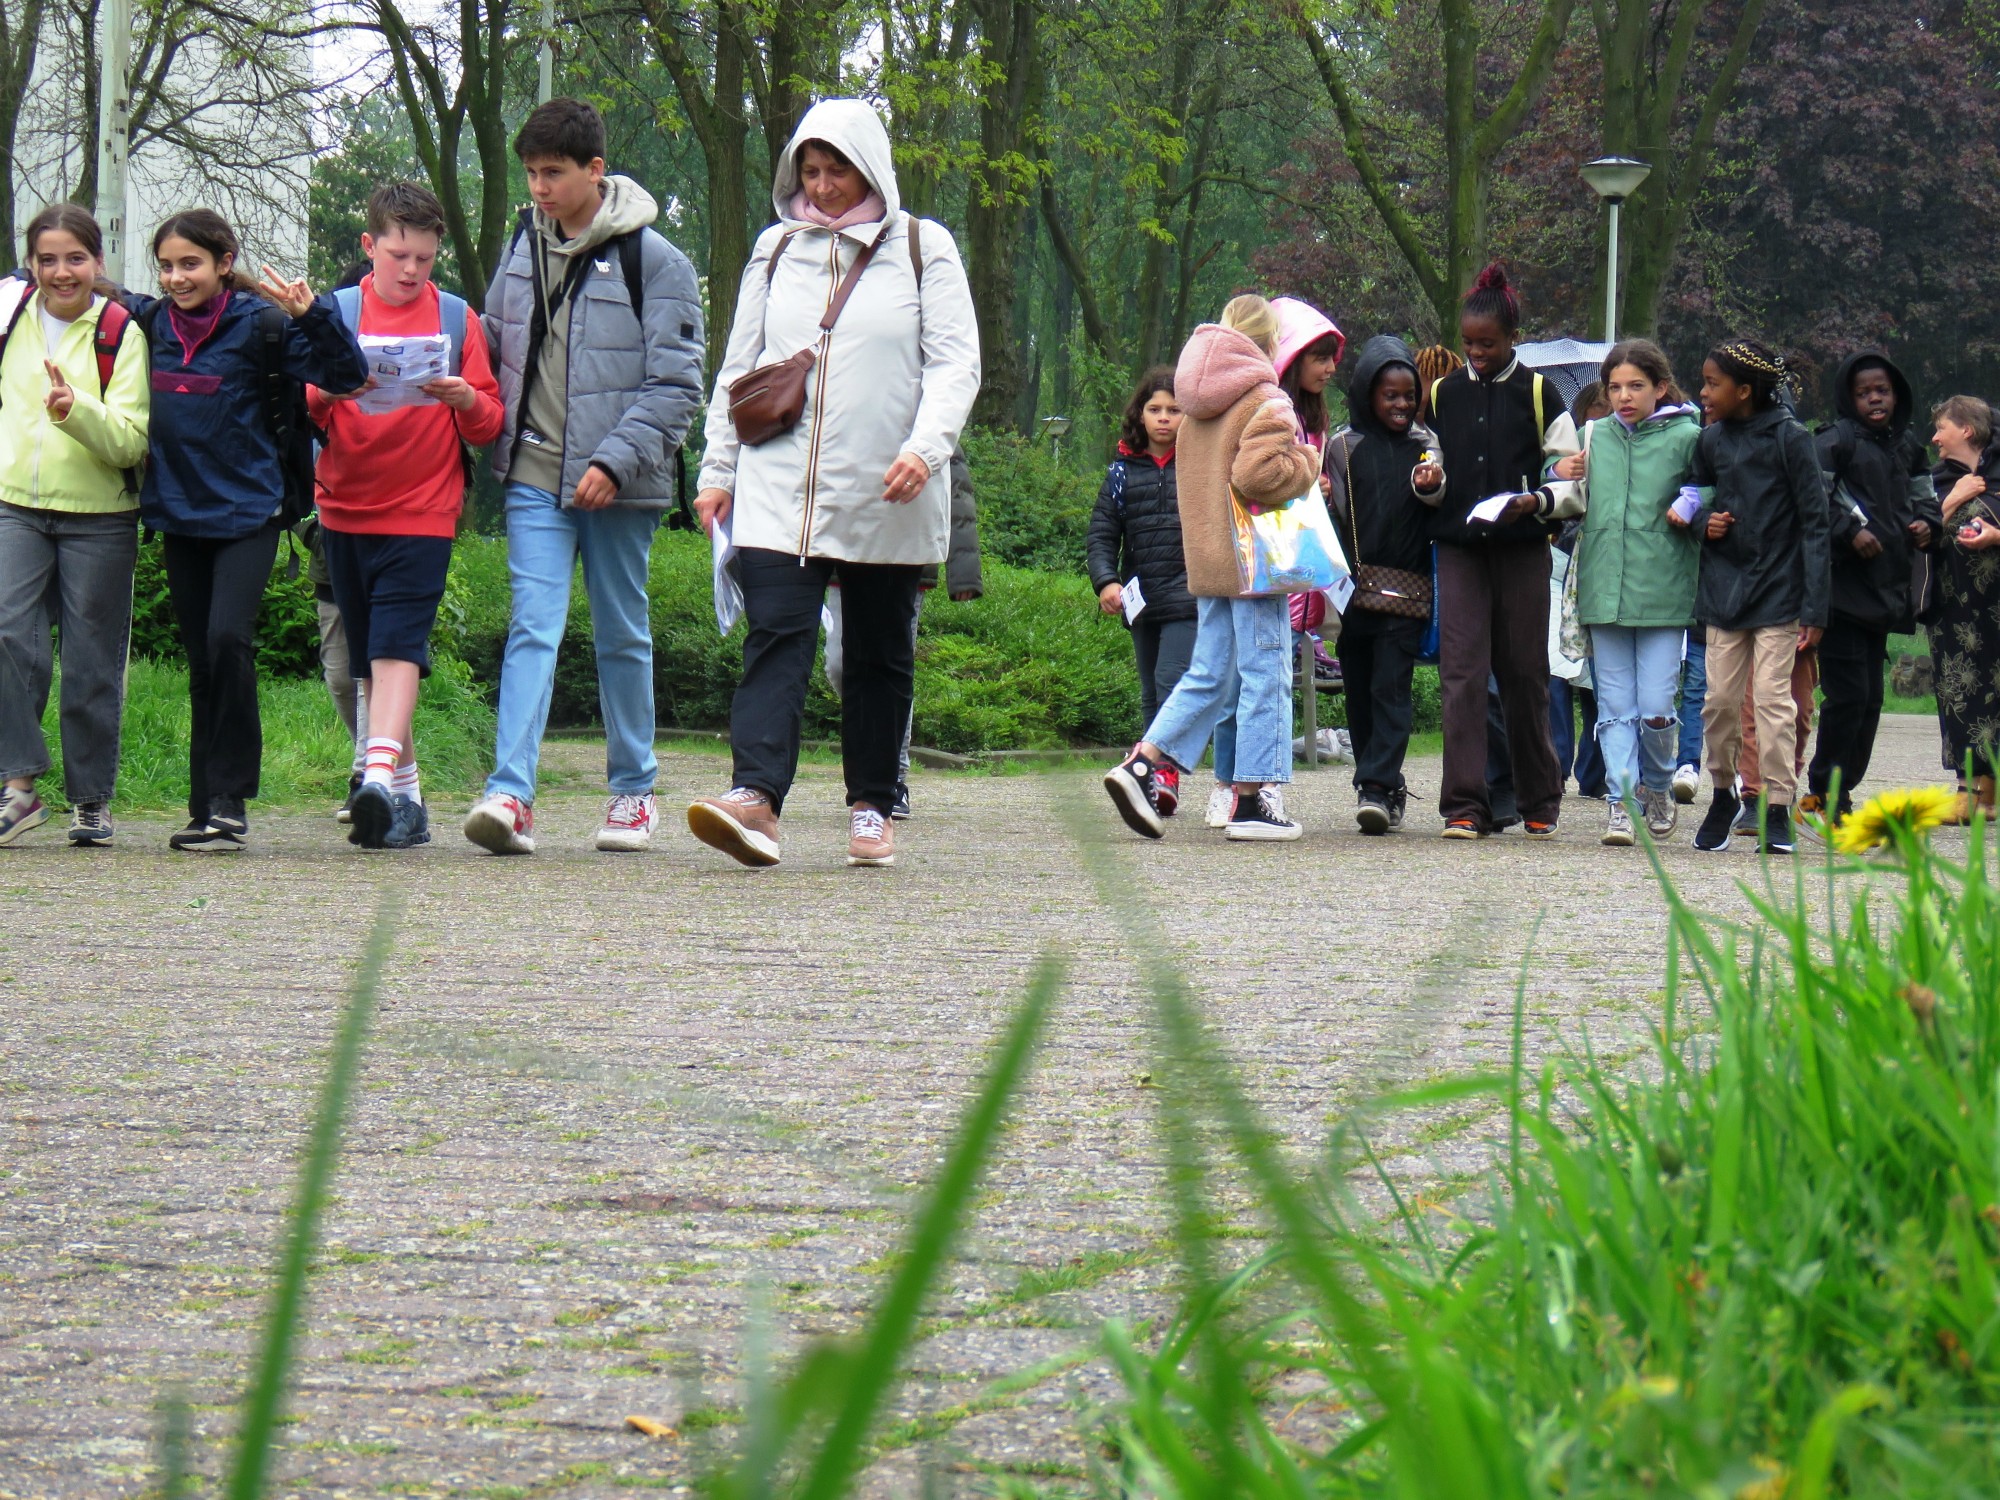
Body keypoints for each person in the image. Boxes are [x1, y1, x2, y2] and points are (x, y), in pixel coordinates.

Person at [689, 98, 980, 869]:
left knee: (878, 651)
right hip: (778, 487)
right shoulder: (774, 250)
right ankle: (755, 799)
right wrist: (717, 470)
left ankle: (872, 804)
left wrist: (927, 448)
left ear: (871, 168)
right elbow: (739, 367)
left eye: (836, 170)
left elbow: (956, 363)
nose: (821, 187)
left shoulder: (925, 247)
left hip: (889, 488)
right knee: (775, 636)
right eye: (809, 171)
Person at [463, 99, 705, 857]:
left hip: (619, 485)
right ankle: (510, 793)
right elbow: (495, 347)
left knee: (619, 633)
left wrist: (613, 460)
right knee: (533, 626)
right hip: (533, 472)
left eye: (554, 174)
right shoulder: (518, 248)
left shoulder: (656, 261)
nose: (539, 188)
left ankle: (634, 792)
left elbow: (677, 387)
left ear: (595, 172)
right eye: (531, 174)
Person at [135, 210, 367, 852]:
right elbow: (86, 295)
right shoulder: (148, 325)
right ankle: (206, 807)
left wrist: (311, 313)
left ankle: (230, 800)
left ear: (222, 261)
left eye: (191, 264)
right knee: (203, 661)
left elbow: (346, 376)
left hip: (250, 512)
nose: (177, 277)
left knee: (228, 639)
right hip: (179, 515)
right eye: (167, 265)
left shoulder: (260, 325)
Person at [308, 182, 505, 850]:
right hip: (345, 506)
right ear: (370, 247)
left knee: (397, 648)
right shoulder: (334, 313)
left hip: (425, 508)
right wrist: (333, 386)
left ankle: (377, 773)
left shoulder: (457, 319)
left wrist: (462, 399)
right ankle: (410, 802)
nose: (412, 270)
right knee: (368, 658)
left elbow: (488, 421)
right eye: (399, 254)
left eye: (424, 257)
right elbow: (303, 405)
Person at [1102, 293, 1323, 843]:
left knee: (1210, 673)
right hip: (1254, 564)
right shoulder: (1262, 397)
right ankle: (1252, 802)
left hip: (1206, 557)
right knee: (1266, 672)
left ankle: (1143, 763)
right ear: (1268, 342)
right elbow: (1258, 475)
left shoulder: (1193, 400)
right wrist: (1308, 462)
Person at [0, 205, 151, 847]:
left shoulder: (121, 331)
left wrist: (74, 409)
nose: (62, 272)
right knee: (8, 637)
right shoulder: (9, 318)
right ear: (31, 263)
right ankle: (19, 786)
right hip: (13, 504)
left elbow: (131, 442)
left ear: (98, 263)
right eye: (49, 259)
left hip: (102, 517)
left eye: (75, 258)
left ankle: (91, 800)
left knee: (91, 662)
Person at [1424, 263, 1578, 840]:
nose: (1476, 353)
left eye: (1487, 344)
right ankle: (1465, 806)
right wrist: (1429, 483)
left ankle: (1540, 797)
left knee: (1524, 673)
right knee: (1462, 675)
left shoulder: (1539, 392)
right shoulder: (1441, 393)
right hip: (1461, 550)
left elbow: (1571, 480)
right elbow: (1433, 465)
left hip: (1521, 550)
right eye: (1468, 343)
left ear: (1513, 338)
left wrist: (1535, 501)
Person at [1547, 340, 1702, 846]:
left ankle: (1657, 785)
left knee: (1657, 706)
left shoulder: (1688, 435)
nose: (1624, 396)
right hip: (1603, 587)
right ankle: (1620, 801)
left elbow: (1715, 484)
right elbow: (1564, 492)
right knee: (1614, 706)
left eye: (1636, 386)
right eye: (1614, 387)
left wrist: (1693, 499)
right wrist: (1557, 472)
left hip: (1663, 591)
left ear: (1660, 387)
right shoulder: (1595, 435)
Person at [1682, 340, 1829, 855]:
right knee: (1718, 703)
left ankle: (1777, 807)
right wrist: (1704, 523)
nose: (1702, 392)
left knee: (1772, 703)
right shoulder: (1710, 440)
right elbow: (1689, 496)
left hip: (1782, 594)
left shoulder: (1791, 439)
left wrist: (1815, 609)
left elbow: (1815, 524)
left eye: (1712, 384)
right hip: (1725, 593)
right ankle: (1723, 795)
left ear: (1745, 391)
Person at [1801, 351, 1939, 828]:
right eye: (1863, 392)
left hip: (1885, 594)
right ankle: (1822, 796)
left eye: (1882, 390)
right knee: (1847, 698)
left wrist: (1927, 525)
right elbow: (1812, 501)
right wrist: (1847, 530)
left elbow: (1927, 499)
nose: (1874, 399)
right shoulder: (1834, 442)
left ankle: (1840, 795)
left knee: (1872, 703)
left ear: (1896, 393)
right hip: (1840, 593)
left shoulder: (1908, 446)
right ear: (1848, 397)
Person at [823, 441, 982, 819]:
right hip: (840, 557)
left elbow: (957, 497)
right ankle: (869, 756)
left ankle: (893, 779)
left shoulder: (936, 420)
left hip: (906, 559)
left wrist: (963, 574)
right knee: (840, 665)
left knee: (890, 668)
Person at [1326, 335, 1444, 833]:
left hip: (1408, 588)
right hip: (1354, 591)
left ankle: (1376, 786)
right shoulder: (1342, 445)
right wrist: (1322, 494)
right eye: (1388, 395)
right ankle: (1379, 782)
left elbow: (1441, 495)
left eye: (1407, 395)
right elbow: (1332, 517)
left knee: (1391, 687)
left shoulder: (1426, 445)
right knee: (1358, 687)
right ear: (1366, 394)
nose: (1400, 404)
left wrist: (1431, 485)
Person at [1089, 367, 1192, 813]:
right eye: (1155, 409)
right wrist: (1106, 580)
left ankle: (1163, 770)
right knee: (1150, 690)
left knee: (1172, 683)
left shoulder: (1198, 468)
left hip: (1189, 594)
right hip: (1141, 596)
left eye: (1174, 409)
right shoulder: (1120, 473)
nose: (1164, 418)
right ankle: (1150, 779)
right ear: (1141, 414)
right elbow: (1101, 533)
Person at [1928, 395, 2000, 817]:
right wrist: (1953, 499)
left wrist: (1995, 537)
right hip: (1954, 609)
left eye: (1942, 428)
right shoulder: (1939, 480)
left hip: (1994, 606)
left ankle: (1988, 794)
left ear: (1967, 430)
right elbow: (1916, 535)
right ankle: (1970, 789)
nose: (1935, 437)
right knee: (1960, 692)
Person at [1548, 381, 1609, 803]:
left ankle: (1595, 771)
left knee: (1599, 684)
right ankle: (1554, 767)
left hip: (1601, 575)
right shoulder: (1569, 456)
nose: (1604, 415)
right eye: (1597, 408)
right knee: (1556, 675)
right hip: (1558, 573)